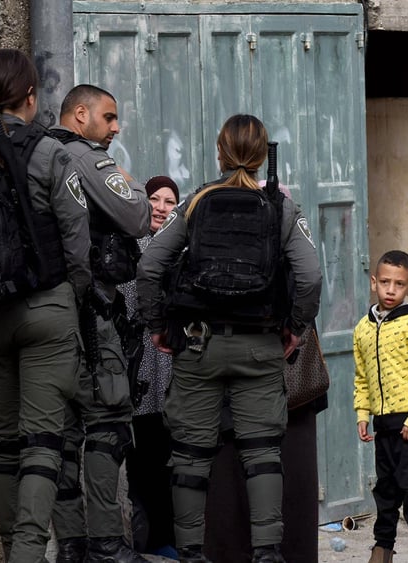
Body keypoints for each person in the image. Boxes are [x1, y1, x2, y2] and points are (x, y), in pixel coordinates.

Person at [136, 114, 323, 563]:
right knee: (262, 453)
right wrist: (295, 330)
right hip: (260, 345)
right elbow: (311, 274)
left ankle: (193, 554)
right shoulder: (280, 206)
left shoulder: (198, 201)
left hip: (198, 346)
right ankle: (266, 554)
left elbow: (149, 266)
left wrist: (158, 326)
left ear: (220, 152)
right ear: (261, 157)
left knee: (190, 457)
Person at [0, 49, 92, 561]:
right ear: (31, 96)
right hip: (44, 309)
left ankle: (13, 549)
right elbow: (77, 239)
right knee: (42, 443)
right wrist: (72, 297)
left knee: (3, 444)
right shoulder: (50, 152)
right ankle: (29, 553)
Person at [48, 84, 152, 563]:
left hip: (49, 319)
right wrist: (129, 182)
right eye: (108, 118)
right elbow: (136, 216)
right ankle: (107, 543)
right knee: (109, 424)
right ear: (80, 114)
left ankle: (70, 544)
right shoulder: (86, 157)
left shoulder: (37, 153)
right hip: (93, 316)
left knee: (63, 435)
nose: (114, 128)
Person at [353, 250, 408, 563]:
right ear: (374, 282)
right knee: (386, 490)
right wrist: (363, 413)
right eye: (385, 282)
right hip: (383, 423)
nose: (391, 290)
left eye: (399, 284)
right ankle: (382, 548)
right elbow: (362, 376)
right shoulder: (363, 328)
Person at [119, 176, 180, 558]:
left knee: (170, 465)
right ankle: (142, 541)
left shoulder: (181, 250)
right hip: (137, 373)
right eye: (153, 199)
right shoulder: (129, 246)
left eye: (169, 201)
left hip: (173, 374)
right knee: (139, 465)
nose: (159, 207)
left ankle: (168, 540)